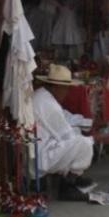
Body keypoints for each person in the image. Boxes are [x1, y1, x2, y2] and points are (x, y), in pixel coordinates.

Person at [33, 64, 94, 200]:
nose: (67, 93)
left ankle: (70, 178)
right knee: (84, 144)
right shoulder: (47, 103)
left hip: (41, 148)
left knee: (78, 132)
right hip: (40, 157)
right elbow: (65, 133)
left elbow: (66, 117)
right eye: (66, 89)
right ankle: (67, 185)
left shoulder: (43, 95)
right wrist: (95, 137)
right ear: (56, 87)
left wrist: (88, 123)